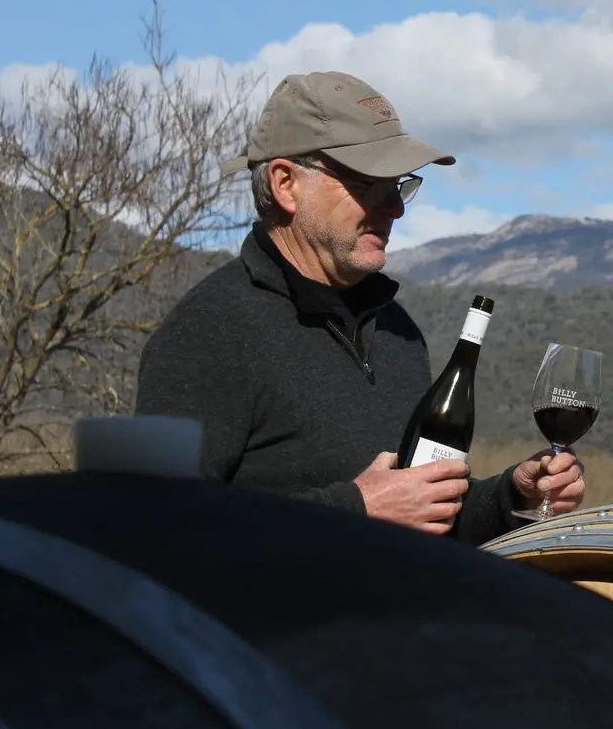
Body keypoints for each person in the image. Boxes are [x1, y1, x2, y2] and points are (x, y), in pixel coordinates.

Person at [134, 70, 584, 541]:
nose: (395, 207)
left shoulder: (397, 332)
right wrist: (355, 509)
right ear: (286, 184)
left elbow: (421, 513)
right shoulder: (209, 333)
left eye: (399, 185)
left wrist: (511, 498)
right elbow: (160, 527)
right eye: (369, 184)